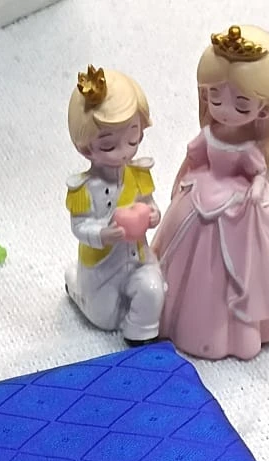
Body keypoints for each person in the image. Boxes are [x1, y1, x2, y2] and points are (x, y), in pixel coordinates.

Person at [153, 24, 269, 360]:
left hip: (235, 209)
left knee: (234, 269)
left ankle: (230, 329)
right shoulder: (210, 135)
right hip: (197, 198)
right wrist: (181, 179)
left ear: (264, 108)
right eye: (215, 98)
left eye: (241, 105)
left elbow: (258, 172)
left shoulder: (249, 147)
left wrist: (258, 189)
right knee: (180, 259)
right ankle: (175, 314)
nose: (225, 110)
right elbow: (194, 157)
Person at [64, 65, 165, 344]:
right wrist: (102, 233)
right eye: (109, 146)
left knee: (153, 290)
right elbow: (79, 225)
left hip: (138, 258)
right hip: (102, 266)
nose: (124, 152)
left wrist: (153, 214)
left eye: (132, 140)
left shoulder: (139, 174)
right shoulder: (84, 189)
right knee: (103, 319)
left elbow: (149, 203)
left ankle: (139, 336)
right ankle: (74, 282)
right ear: (86, 148)